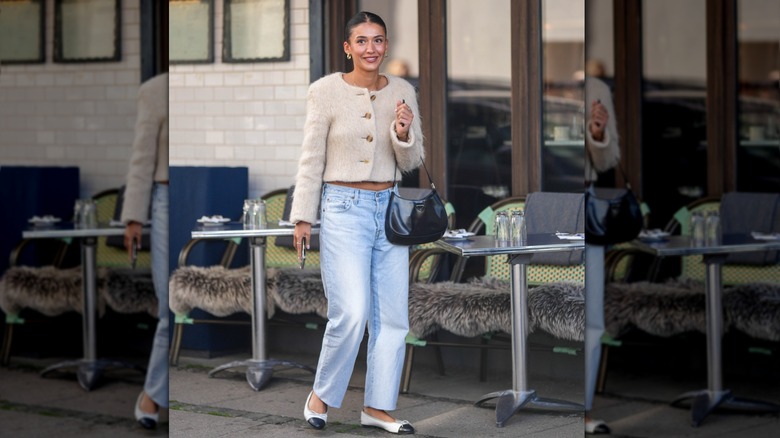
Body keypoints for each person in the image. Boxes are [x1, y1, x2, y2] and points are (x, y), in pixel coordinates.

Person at [289, 11, 423, 435]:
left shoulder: (402, 90)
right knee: (351, 312)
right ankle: (321, 397)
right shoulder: (325, 91)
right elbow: (311, 158)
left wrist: (403, 131)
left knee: (393, 317)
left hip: (390, 210)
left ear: (386, 45)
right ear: (348, 48)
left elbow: (412, 162)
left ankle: (378, 408)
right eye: (361, 41)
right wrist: (303, 216)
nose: (371, 49)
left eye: (378, 40)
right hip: (343, 207)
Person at [121, 72, 169, 430]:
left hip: (199, 193)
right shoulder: (154, 91)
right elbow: (141, 157)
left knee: (185, 304)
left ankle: (162, 392)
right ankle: (151, 395)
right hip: (166, 197)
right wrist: (133, 217)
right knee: (168, 304)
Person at [584, 75, 620, 435]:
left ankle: (585, 409)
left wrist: (597, 134)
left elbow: (610, 159)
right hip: (544, 198)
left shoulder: (597, 90)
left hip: (584, 204)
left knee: (592, 316)